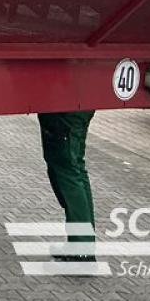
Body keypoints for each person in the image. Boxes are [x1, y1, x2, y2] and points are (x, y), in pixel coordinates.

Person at [38, 111, 96, 260]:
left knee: (68, 170)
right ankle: (82, 245)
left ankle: (82, 252)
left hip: (66, 111)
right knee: (76, 167)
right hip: (77, 108)